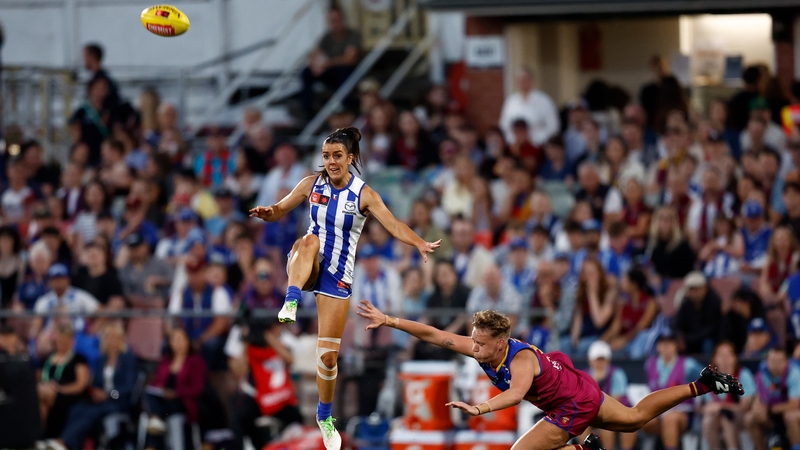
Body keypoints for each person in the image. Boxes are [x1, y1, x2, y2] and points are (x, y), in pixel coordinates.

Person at [249, 127, 440, 450]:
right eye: (326, 156)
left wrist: (419, 242)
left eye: (337, 156)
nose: (331, 161)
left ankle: (325, 419)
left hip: (338, 276)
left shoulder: (364, 194)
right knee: (309, 240)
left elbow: (392, 225)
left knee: (328, 359)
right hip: (306, 263)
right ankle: (291, 301)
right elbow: (280, 209)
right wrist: (269, 213)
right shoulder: (311, 184)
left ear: (351, 158)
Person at [356, 302, 743, 450]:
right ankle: (704, 383)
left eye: (479, 343)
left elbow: (514, 395)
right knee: (634, 418)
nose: (472, 347)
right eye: (472, 340)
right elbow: (436, 335)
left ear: (501, 341)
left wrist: (478, 409)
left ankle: (580, 449)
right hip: (575, 388)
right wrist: (389, 319)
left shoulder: (519, 361)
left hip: (571, 401)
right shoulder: (484, 348)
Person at [58, 324, 138, 449]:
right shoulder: (101, 360)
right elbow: (96, 383)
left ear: (121, 339)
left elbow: (129, 387)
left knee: (92, 412)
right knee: (77, 409)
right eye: (109, 337)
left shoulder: (127, 359)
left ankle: (64, 443)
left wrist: (109, 394)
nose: (112, 341)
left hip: (118, 402)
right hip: (100, 400)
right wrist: (94, 391)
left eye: (115, 337)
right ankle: (70, 443)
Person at [143, 328, 207, 450]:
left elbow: (198, 388)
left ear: (188, 341)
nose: (178, 343)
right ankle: (155, 419)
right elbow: (157, 382)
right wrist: (159, 388)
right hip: (164, 401)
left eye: (181, 339)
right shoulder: (166, 361)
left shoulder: (196, 361)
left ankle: (152, 444)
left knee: (164, 414)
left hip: (183, 402)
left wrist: (176, 393)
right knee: (148, 393)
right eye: (175, 339)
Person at [301, 7, 361, 118]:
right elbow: (312, 55)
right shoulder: (327, 37)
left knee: (343, 70)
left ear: (342, 19)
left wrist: (326, 64)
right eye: (331, 20)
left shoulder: (352, 35)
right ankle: (308, 109)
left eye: (336, 19)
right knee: (306, 72)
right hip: (331, 71)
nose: (334, 23)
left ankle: (346, 106)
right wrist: (315, 66)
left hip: (347, 72)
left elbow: (349, 59)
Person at [38, 324, 91, 443]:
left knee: (44, 395)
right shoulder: (47, 358)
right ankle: (39, 435)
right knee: (41, 400)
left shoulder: (78, 359)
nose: (61, 342)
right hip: (45, 393)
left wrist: (60, 389)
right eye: (59, 339)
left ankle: (40, 436)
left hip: (68, 395)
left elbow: (80, 385)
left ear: (71, 340)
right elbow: (39, 377)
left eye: (64, 339)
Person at [700, 341, 757, 450]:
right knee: (708, 420)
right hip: (716, 419)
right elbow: (705, 406)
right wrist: (708, 409)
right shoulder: (708, 378)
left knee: (726, 417)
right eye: (721, 355)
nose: (725, 358)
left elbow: (745, 406)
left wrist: (722, 407)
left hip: (740, 417)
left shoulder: (743, 375)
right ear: (715, 358)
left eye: (728, 354)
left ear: (735, 358)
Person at [582, 341, 636, 450]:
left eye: (602, 359)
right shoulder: (584, 376)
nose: (600, 363)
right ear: (590, 360)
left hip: (617, 412)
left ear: (608, 360)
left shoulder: (617, 374)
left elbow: (615, 400)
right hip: (593, 414)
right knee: (579, 424)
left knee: (608, 424)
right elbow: (581, 400)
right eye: (597, 359)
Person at [746, 346, 800, 450]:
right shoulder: (762, 374)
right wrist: (758, 409)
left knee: (790, 417)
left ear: (785, 362)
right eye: (772, 361)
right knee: (750, 418)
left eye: (779, 361)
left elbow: (794, 404)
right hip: (771, 413)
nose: (775, 365)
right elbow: (757, 399)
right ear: (767, 361)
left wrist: (771, 409)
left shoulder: (794, 373)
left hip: (791, 411)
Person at [499, 67, 560, 147]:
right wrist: (513, 141)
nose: (523, 82)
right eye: (520, 80)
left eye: (526, 79)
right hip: (515, 147)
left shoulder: (544, 100)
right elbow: (504, 126)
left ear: (531, 80)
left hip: (538, 146)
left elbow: (553, 127)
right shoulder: (511, 101)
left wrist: (536, 141)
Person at [672, 271, 722, 355]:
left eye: (697, 289)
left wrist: (690, 338)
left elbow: (712, 327)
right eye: (691, 289)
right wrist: (679, 337)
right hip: (689, 338)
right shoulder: (686, 303)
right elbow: (676, 324)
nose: (694, 293)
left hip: (707, 338)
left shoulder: (714, 302)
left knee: (708, 344)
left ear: (705, 288)